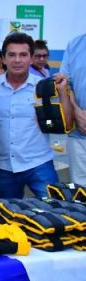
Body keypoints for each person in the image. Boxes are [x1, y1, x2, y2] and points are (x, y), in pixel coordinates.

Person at [0, 33, 70, 199]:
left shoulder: (44, 86)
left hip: (39, 164)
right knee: (9, 219)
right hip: (3, 167)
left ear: (31, 58)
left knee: (54, 213)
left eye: (23, 55)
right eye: (11, 55)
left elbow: (66, 123)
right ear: (3, 58)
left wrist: (63, 93)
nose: (17, 60)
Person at [61, 33, 86, 185]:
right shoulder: (74, 45)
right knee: (81, 192)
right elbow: (65, 83)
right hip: (80, 134)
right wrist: (77, 113)